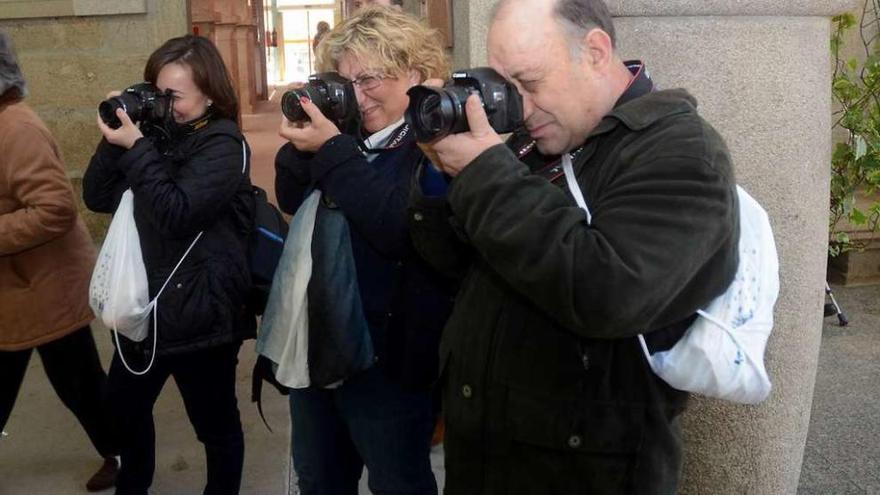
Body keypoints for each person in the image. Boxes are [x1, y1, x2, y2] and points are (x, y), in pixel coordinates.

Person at [409, 0, 740, 493]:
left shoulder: (680, 151)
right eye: (506, 86)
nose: (518, 106)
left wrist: (484, 175)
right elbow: (453, 265)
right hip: (486, 459)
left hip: (585, 474)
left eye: (531, 82)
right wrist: (443, 176)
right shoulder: (534, 142)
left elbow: (608, 291)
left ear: (595, 52)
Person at [270, 7, 452, 495]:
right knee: (319, 477)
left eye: (369, 79)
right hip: (318, 339)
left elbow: (397, 227)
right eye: (346, 81)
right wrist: (298, 146)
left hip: (387, 356)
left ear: (414, 73)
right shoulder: (346, 131)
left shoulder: (434, 142)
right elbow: (290, 198)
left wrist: (332, 150)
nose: (357, 95)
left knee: (397, 481)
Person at [82, 35, 255, 495]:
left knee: (215, 426)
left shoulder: (224, 144)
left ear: (211, 94)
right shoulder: (154, 132)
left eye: (174, 96)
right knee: (124, 414)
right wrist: (117, 137)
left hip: (201, 312)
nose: (164, 104)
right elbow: (97, 197)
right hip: (144, 306)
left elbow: (178, 212)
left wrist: (137, 146)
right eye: (158, 93)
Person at [0, 31, 120, 493]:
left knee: (82, 387)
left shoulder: (15, 127)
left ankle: (124, 452)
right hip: (16, 291)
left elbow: (54, 209)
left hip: (45, 288)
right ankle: (121, 448)